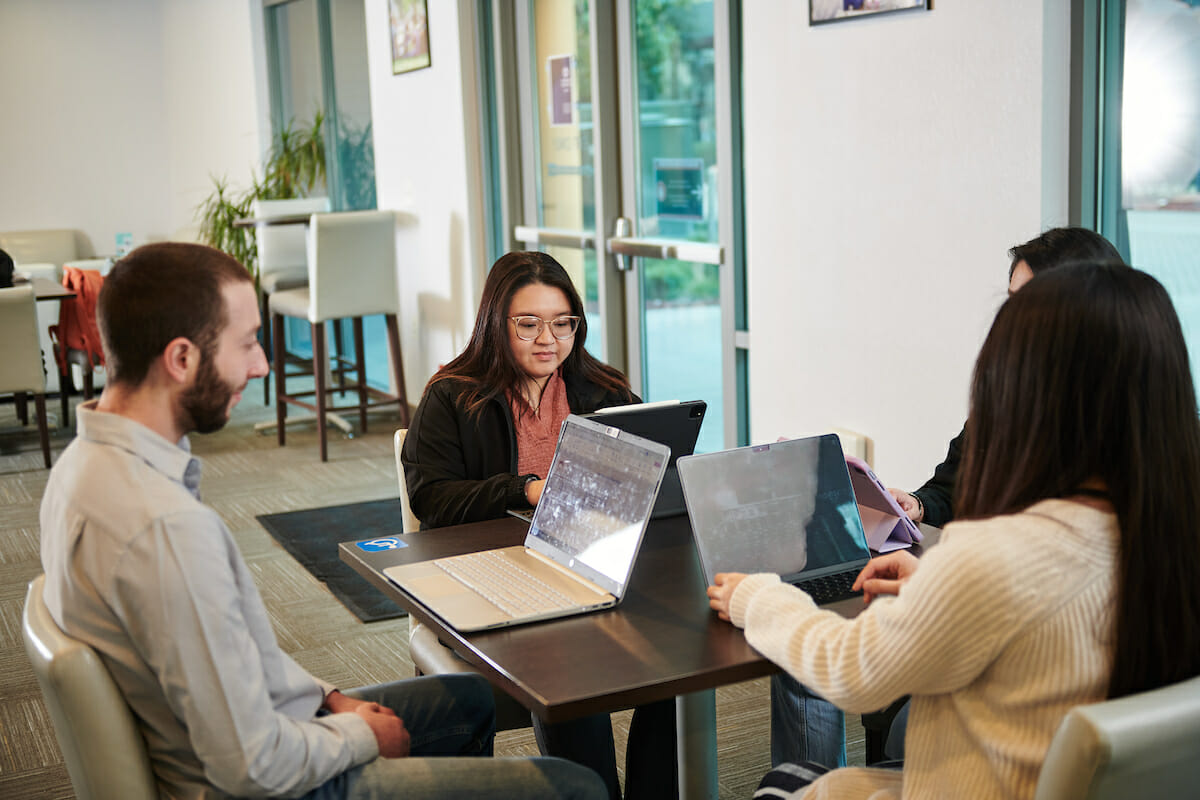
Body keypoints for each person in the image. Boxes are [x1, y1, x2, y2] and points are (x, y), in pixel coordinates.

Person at [38, 242, 606, 800]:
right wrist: (358, 732)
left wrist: (328, 696)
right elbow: (250, 766)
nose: (262, 365)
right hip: (264, 779)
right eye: (248, 343)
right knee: (576, 787)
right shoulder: (163, 528)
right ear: (182, 359)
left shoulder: (80, 468)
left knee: (469, 701)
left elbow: (231, 657)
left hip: (262, 724)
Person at [709, 263, 1200, 799]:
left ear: (1023, 393)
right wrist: (936, 589)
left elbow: (850, 670)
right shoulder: (1171, 537)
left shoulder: (998, 555)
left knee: (780, 787)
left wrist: (757, 596)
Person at [402, 250, 676, 800]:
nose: (547, 338)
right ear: (494, 324)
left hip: (594, 569)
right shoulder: (452, 396)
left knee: (673, 663)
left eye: (562, 323)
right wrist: (524, 489)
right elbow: (431, 498)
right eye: (527, 324)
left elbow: (656, 469)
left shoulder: (603, 393)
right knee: (567, 668)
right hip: (499, 583)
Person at [888, 226, 1126, 528]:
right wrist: (919, 504)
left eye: (1031, 304)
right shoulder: (1004, 401)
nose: (1013, 319)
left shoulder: (1124, 430)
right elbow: (952, 491)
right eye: (1012, 301)